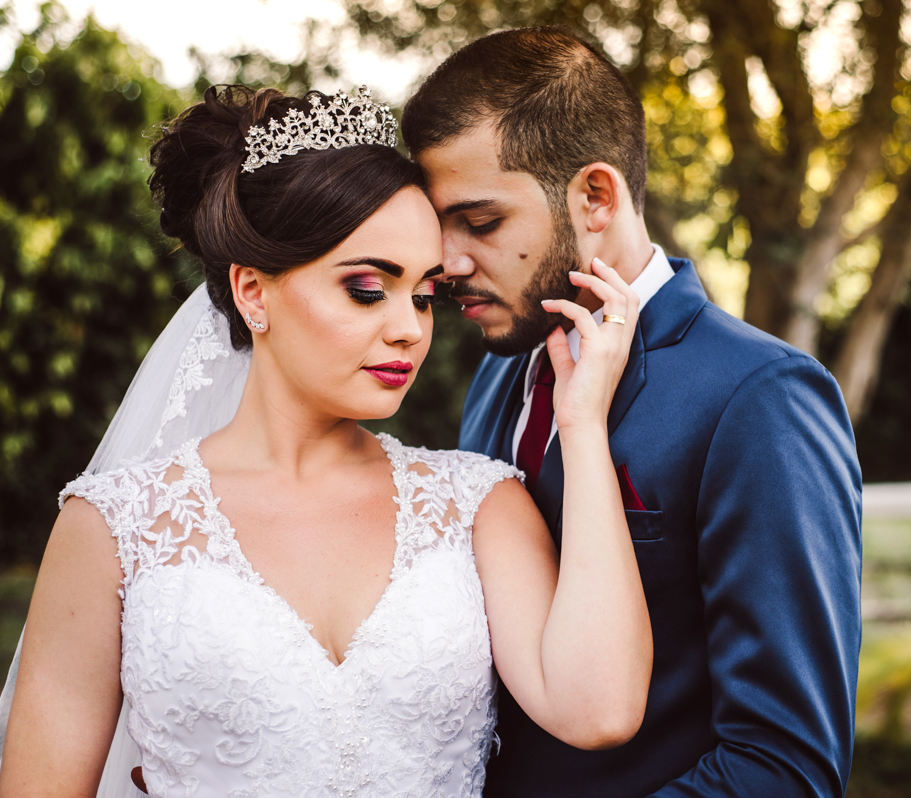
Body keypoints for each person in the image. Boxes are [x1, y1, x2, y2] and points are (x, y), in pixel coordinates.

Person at [0, 84, 652, 797]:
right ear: (253, 292)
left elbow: (600, 710)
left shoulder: (478, 503)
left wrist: (581, 425)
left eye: (425, 294)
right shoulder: (112, 528)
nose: (410, 327)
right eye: (368, 288)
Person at [401, 27, 863, 797]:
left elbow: (787, 767)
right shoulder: (501, 374)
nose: (447, 263)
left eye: (480, 223)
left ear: (596, 197)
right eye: (439, 224)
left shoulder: (761, 397)